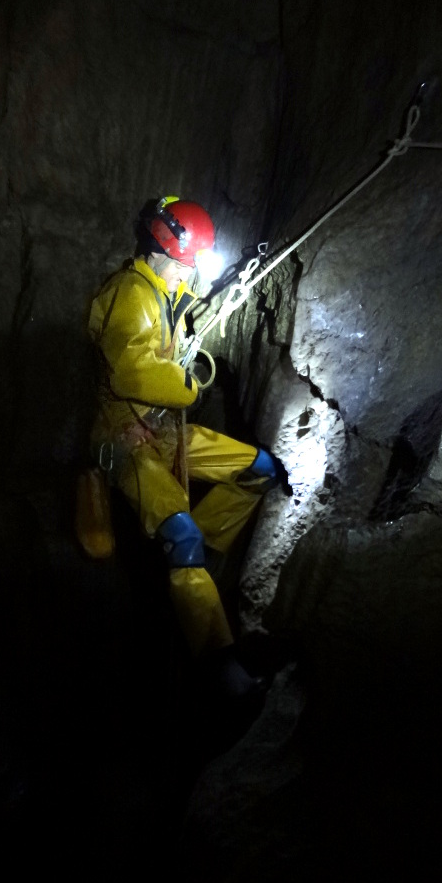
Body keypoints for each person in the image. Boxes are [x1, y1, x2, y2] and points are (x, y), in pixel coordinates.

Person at [84, 196, 279, 703]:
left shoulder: (168, 289)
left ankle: (198, 568)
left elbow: (188, 310)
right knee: (181, 535)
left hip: (169, 431)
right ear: (170, 252)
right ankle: (222, 667)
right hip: (128, 442)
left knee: (259, 469)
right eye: (190, 261)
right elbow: (131, 369)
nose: (193, 271)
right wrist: (188, 387)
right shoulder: (130, 294)